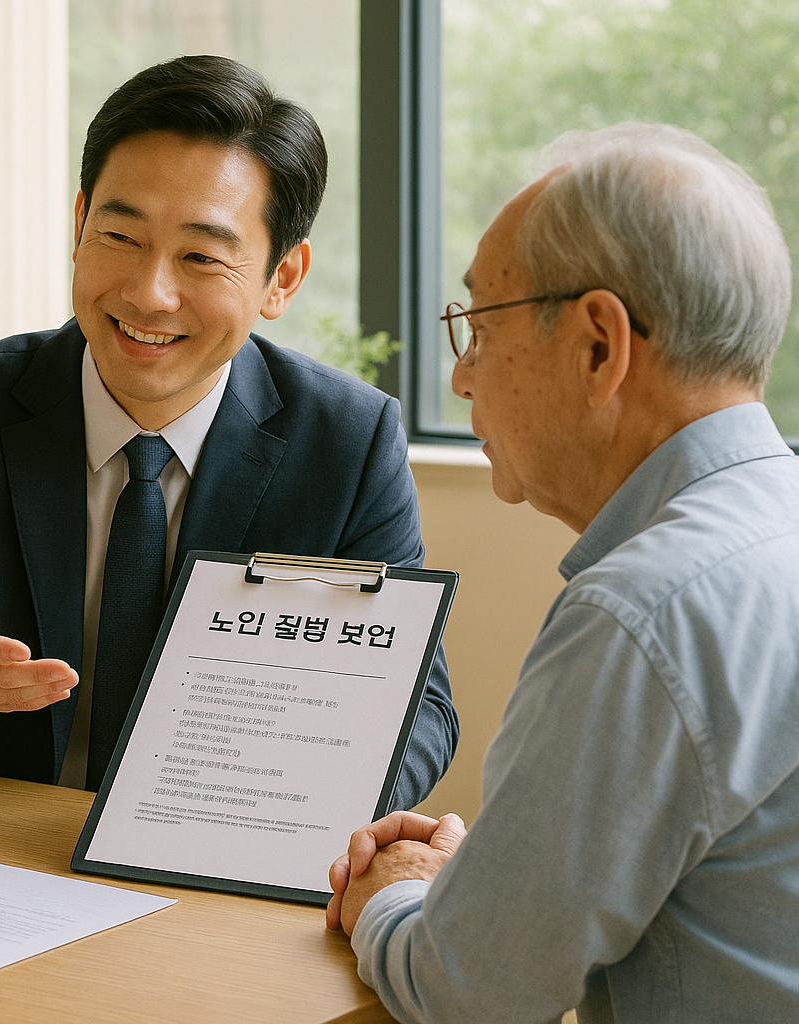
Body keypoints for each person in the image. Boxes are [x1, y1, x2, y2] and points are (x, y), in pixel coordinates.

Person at [0, 55, 458, 802]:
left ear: (282, 279)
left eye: (201, 256)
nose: (149, 294)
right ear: (79, 226)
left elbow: (420, 714)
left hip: (212, 879)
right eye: (120, 237)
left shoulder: (349, 443)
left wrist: (298, 797)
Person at [327, 123, 799, 1023]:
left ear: (597, 346)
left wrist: (391, 890)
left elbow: (470, 992)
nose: (462, 378)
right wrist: (480, 884)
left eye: (478, 327)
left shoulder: (642, 614)